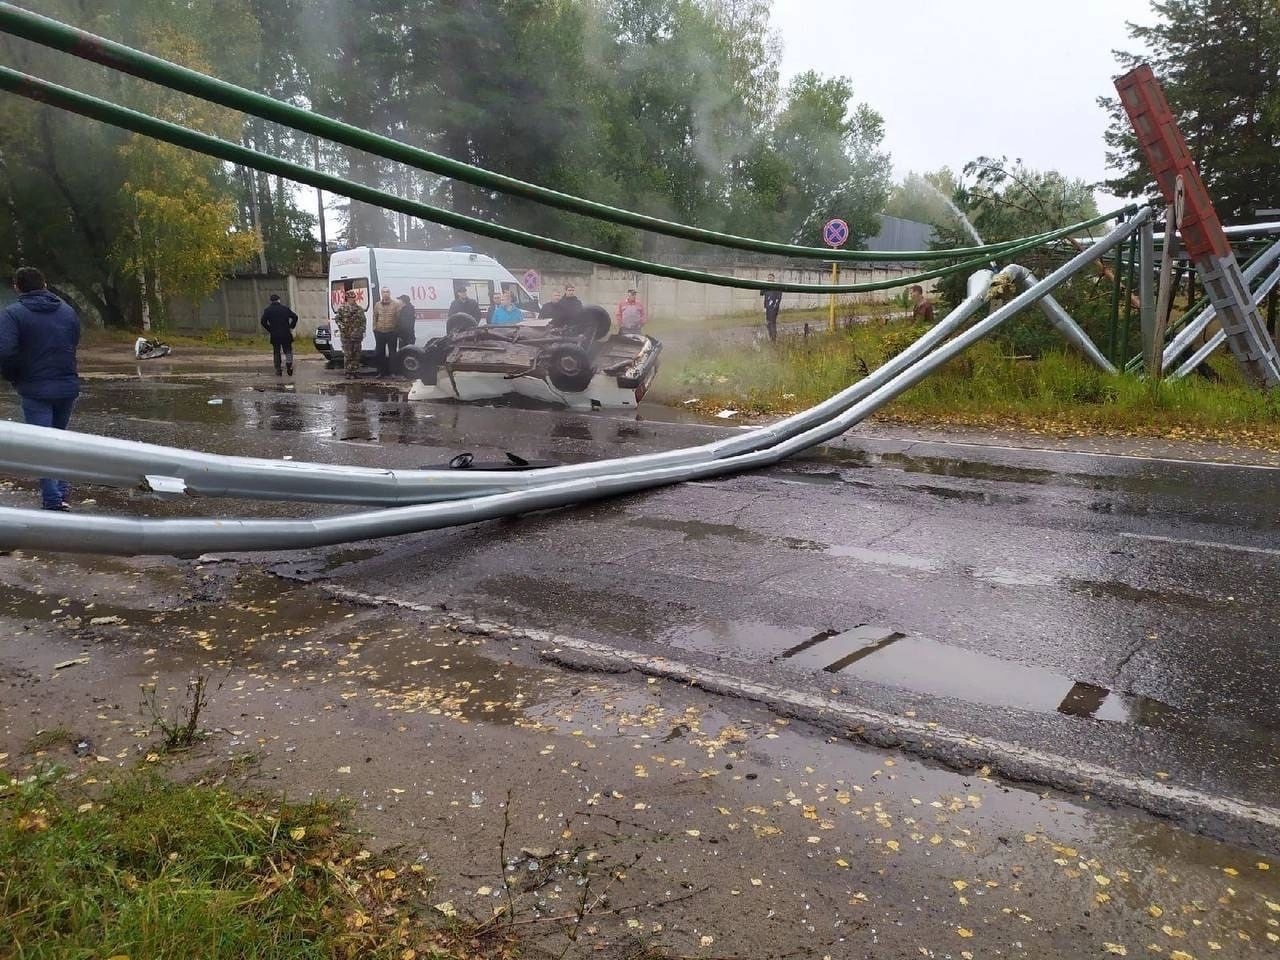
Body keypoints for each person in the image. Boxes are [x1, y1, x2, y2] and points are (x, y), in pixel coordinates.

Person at [0, 266, 81, 510]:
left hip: (35, 388)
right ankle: (62, 489)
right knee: (58, 440)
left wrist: (15, 376)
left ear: (17, 287)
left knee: (42, 445)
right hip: (67, 385)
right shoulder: (67, 311)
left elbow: (5, 351)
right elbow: (74, 340)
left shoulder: (13, 314)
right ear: (44, 284)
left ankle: (53, 499)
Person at [259, 292, 298, 376]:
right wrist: (291, 326)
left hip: (275, 334)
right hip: (286, 333)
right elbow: (295, 317)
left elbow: (263, 322)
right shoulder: (285, 309)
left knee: (276, 351)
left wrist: (270, 329)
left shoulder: (268, 310)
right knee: (288, 350)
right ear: (279, 300)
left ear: (271, 301)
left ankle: (278, 369)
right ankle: (289, 364)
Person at [333, 288, 368, 379]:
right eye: (350, 297)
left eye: (353, 297)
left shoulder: (359, 309)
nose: (352, 299)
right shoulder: (342, 308)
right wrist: (342, 328)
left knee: (356, 354)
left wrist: (361, 330)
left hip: (357, 336)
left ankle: (355, 371)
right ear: (347, 298)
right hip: (346, 336)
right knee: (348, 354)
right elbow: (337, 319)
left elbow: (363, 321)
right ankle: (348, 372)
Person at [370, 286, 400, 377]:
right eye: (383, 292)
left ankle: (392, 372)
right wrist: (374, 328)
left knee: (392, 353)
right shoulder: (377, 305)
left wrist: (396, 330)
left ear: (389, 293)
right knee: (379, 353)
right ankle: (381, 372)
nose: (385, 293)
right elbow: (375, 317)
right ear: (381, 294)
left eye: (387, 292)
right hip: (379, 332)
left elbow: (398, 318)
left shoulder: (395, 304)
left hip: (391, 332)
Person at [760, 273, 782, 343]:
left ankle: (774, 339)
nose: (769, 279)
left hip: (774, 308)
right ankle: (771, 337)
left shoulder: (776, 286)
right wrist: (764, 285)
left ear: (773, 278)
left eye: (771, 278)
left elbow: (779, 298)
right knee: (768, 323)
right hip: (768, 308)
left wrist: (775, 306)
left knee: (772, 323)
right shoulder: (766, 285)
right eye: (768, 278)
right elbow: (761, 293)